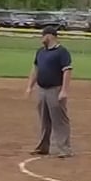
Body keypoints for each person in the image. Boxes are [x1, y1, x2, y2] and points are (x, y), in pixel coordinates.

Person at [27, 26, 73, 157]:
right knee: (44, 119)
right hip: (42, 89)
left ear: (49, 36)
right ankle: (43, 147)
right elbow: (36, 69)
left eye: (43, 36)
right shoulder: (40, 52)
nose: (41, 38)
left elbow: (67, 71)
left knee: (59, 119)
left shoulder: (62, 52)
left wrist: (64, 90)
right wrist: (30, 86)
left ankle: (64, 149)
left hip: (55, 89)